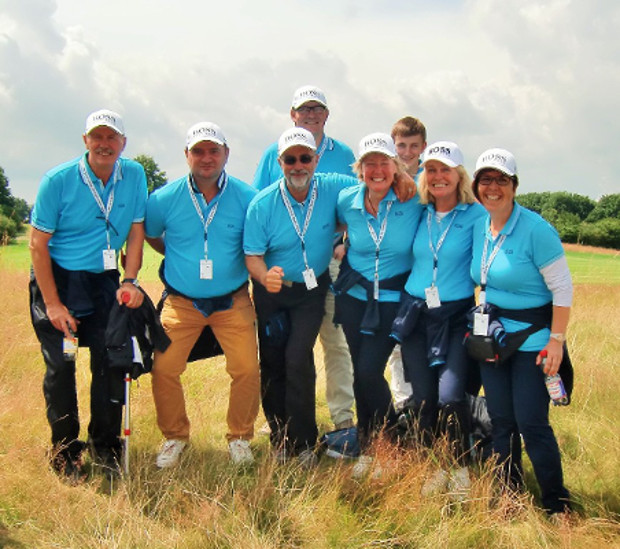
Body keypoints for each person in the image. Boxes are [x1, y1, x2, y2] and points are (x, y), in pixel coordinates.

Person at [245, 128, 414, 467]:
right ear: (280, 162)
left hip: (311, 290)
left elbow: (373, 185)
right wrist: (265, 276)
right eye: (290, 159)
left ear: (316, 161)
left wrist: (404, 180)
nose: (298, 165)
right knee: (273, 364)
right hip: (272, 294)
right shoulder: (262, 204)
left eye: (305, 158)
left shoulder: (334, 188)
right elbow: (252, 255)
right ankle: (281, 438)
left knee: (298, 358)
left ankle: (305, 442)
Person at [29, 109, 147, 482]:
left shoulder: (135, 175)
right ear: (85, 141)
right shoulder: (58, 180)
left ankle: (106, 445)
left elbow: (136, 231)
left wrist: (130, 279)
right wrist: (52, 304)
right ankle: (65, 451)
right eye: (97, 137)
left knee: (112, 362)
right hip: (59, 280)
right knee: (61, 367)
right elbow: (37, 244)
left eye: (112, 137)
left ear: (123, 144)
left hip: (105, 280)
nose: (104, 144)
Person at [145, 122, 260, 467]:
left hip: (233, 300)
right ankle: (175, 437)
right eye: (198, 151)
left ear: (226, 154)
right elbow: (152, 236)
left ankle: (240, 438)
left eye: (213, 150)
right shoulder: (162, 198)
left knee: (247, 369)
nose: (206, 158)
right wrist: (182, 261)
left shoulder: (248, 197)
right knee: (163, 368)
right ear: (186, 155)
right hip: (182, 302)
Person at [470, 148, 573, 515]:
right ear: (476, 186)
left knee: (532, 423)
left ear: (514, 186)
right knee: (501, 422)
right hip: (492, 342)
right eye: (486, 179)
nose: (493, 187)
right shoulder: (479, 225)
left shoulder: (535, 230)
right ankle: (509, 497)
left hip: (533, 343)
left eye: (501, 180)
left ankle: (556, 504)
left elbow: (562, 288)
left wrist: (556, 342)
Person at [253, 85, 357, 437]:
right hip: (277, 274)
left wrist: (344, 236)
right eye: (304, 109)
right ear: (292, 114)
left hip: (324, 266)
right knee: (279, 356)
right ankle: (281, 423)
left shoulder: (340, 158)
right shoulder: (271, 159)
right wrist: (266, 272)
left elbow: (362, 197)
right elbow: (259, 216)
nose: (298, 164)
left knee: (330, 344)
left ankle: (337, 419)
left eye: (318, 108)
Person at [391, 141, 485, 497]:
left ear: (459, 175)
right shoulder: (418, 209)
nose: (438, 176)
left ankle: (459, 465)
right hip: (416, 314)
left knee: (451, 396)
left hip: (456, 317)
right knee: (425, 399)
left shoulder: (475, 214)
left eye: (445, 169)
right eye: (431, 170)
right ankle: (433, 466)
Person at [333, 133, 423, 452]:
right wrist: (337, 245)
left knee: (370, 371)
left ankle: (392, 435)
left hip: (392, 301)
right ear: (360, 169)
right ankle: (369, 439)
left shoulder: (412, 198)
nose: (377, 170)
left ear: (396, 166)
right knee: (360, 372)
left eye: (384, 162)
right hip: (353, 298)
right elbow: (328, 228)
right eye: (370, 163)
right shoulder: (346, 200)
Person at [388, 116, 428, 409]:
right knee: (396, 344)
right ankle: (404, 404)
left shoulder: (434, 178)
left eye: (414, 145)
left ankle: (426, 403)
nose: (407, 152)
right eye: (401, 145)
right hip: (392, 272)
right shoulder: (383, 175)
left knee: (422, 341)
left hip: (424, 273)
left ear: (423, 146)